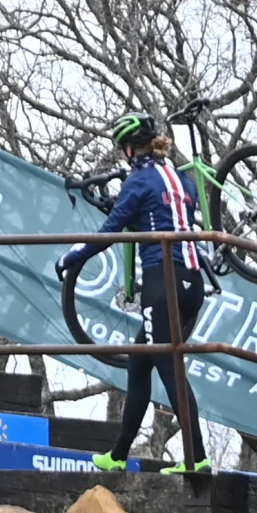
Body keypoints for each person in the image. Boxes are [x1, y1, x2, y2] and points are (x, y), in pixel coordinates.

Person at [55, 111, 215, 474]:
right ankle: (119, 454)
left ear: (129, 149)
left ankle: (197, 458)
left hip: (164, 285)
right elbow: (168, 208)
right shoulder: (180, 177)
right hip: (193, 282)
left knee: (170, 369)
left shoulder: (138, 182)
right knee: (140, 362)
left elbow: (110, 230)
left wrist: (74, 255)